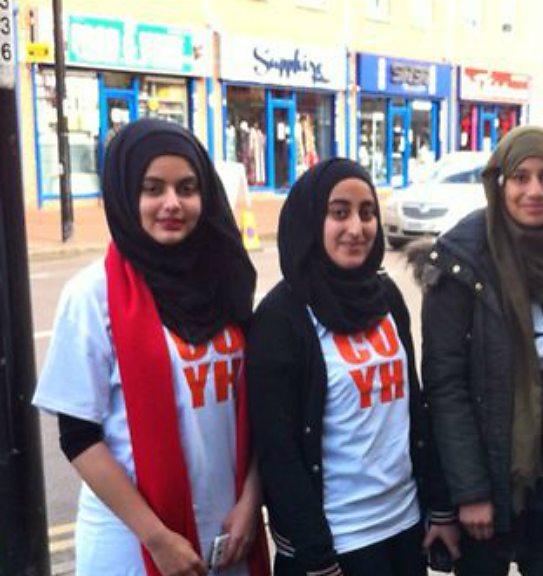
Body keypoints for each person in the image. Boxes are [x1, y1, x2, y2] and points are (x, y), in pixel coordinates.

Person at [33, 118, 268, 576]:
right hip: (132, 543)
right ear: (125, 194)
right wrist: (157, 538)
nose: (172, 203)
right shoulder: (92, 294)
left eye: (187, 188)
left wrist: (250, 501)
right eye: (152, 188)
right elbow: (79, 437)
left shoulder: (226, 279)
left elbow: (260, 407)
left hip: (229, 532)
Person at [415, 125, 543, 575]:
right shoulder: (461, 260)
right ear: (498, 183)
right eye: (520, 177)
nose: (535, 191)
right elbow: (445, 387)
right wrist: (469, 492)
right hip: (486, 481)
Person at [245, 158, 459, 576]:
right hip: (335, 546)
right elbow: (278, 451)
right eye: (339, 213)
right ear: (311, 220)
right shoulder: (280, 318)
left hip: (403, 528)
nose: (356, 228)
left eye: (367, 213)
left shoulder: (386, 297)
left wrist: (440, 507)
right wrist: (318, 559)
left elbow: (414, 409)